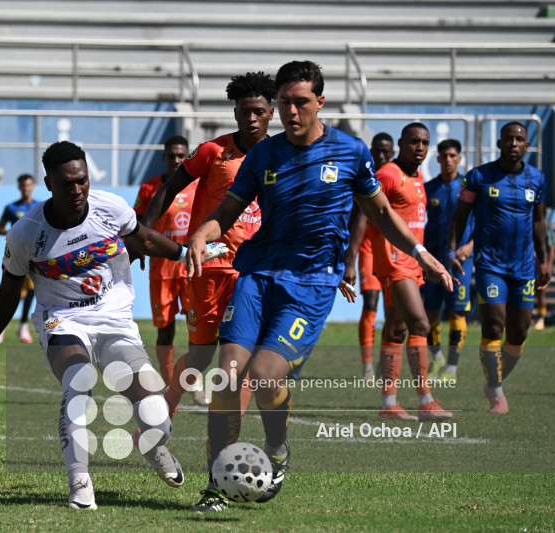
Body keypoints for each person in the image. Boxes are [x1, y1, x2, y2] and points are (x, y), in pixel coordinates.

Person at [185, 61, 452, 512]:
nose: (291, 111)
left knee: (266, 377)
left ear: (320, 102)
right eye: (285, 102)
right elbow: (227, 212)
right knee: (228, 376)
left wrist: (422, 252)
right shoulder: (264, 156)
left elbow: (382, 213)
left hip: (310, 285)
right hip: (257, 274)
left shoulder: (350, 152)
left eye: (301, 102)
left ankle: (277, 449)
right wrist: (201, 234)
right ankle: (216, 486)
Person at [0, 141, 228, 510]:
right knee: (78, 383)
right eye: (67, 184)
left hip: (113, 318)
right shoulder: (26, 232)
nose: (77, 190)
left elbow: (140, 237)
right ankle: (80, 483)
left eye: (82, 181)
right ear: (48, 183)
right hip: (62, 319)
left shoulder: (110, 207)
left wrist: (184, 253)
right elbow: (8, 291)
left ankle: (151, 443)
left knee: (157, 413)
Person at [141, 72, 276, 418]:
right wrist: (143, 232)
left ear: (271, 113)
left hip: (251, 271)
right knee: (200, 357)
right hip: (209, 266)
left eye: (258, 111)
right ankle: (165, 409)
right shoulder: (214, 151)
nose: (251, 118)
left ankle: (226, 439)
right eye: (244, 111)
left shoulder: (282, 157)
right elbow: (169, 188)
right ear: (235, 113)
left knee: (241, 355)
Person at [346, 123, 454, 422]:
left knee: (396, 330)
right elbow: (362, 215)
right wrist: (350, 259)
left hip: (411, 264)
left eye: (424, 143)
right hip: (394, 263)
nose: (420, 147)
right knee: (420, 324)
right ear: (400, 144)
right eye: (414, 142)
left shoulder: (418, 177)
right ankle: (425, 400)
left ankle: (389, 403)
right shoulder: (388, 175)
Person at [448, 121, 549, 414]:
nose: (514, 143)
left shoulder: (537, 179)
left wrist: (543, 260)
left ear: (527, 145)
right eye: (508, 138)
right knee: (494, 325)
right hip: (490, 265)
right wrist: (452, 249)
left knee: (519, 333)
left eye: (519, 139)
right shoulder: (479, 177)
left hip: (524, 267)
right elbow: (460, 215)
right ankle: (497, 391)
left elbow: (539, 222)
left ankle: (494, 380)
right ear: (499, 143)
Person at [133, 135, 202, 392]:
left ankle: (193, 380)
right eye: (171, 155)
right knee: (166, 330)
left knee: (197, 329)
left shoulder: (197, 186)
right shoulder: (150, 189)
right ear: (164, 158)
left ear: (187, 157)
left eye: (181, 155)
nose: (176, 160)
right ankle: (167, 381)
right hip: (161, 270)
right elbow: (136, 224)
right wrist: (136, 249)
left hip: (193, 268)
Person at [421, 138, 474, 381]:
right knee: (429, 314)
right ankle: (437, 359)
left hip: (461, 262)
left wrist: (471, 246)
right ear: (438, 159)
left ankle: (452, 368)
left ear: (459, 158)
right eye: (444, 156)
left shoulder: (470, 188)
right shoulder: (428, 187)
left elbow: (483, 222)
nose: (449, 160)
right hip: (433, 261)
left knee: (456, 314)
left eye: (453, 155)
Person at [356, 132, 395, 382]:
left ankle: (386, 360)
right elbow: (357, 217)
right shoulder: (363, 176)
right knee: (371, 301)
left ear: (392, 153)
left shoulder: (396, 176)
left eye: (385, 152)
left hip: (392, 248)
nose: (381, 156)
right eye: (377, 151)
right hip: (368, 246)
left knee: (394, 308)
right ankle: (367, 366)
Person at [0, 173, 41, 344]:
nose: (26, 188)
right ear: (19, 187)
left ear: (32, 186)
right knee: (10, 291)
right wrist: (14, 232)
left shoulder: (39, 207)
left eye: (28, 185)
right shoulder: (11, 208)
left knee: (30, 292)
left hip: (35, 255)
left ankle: (23, 326)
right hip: (15, 254)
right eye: (23, 185)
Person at [534, 205, 555, 330]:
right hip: (526, 264)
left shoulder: (549, 231)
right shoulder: (528, 227)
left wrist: (548, 266)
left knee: (541, 293)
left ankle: (541, 319)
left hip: (540, 265)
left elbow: (552, 250)